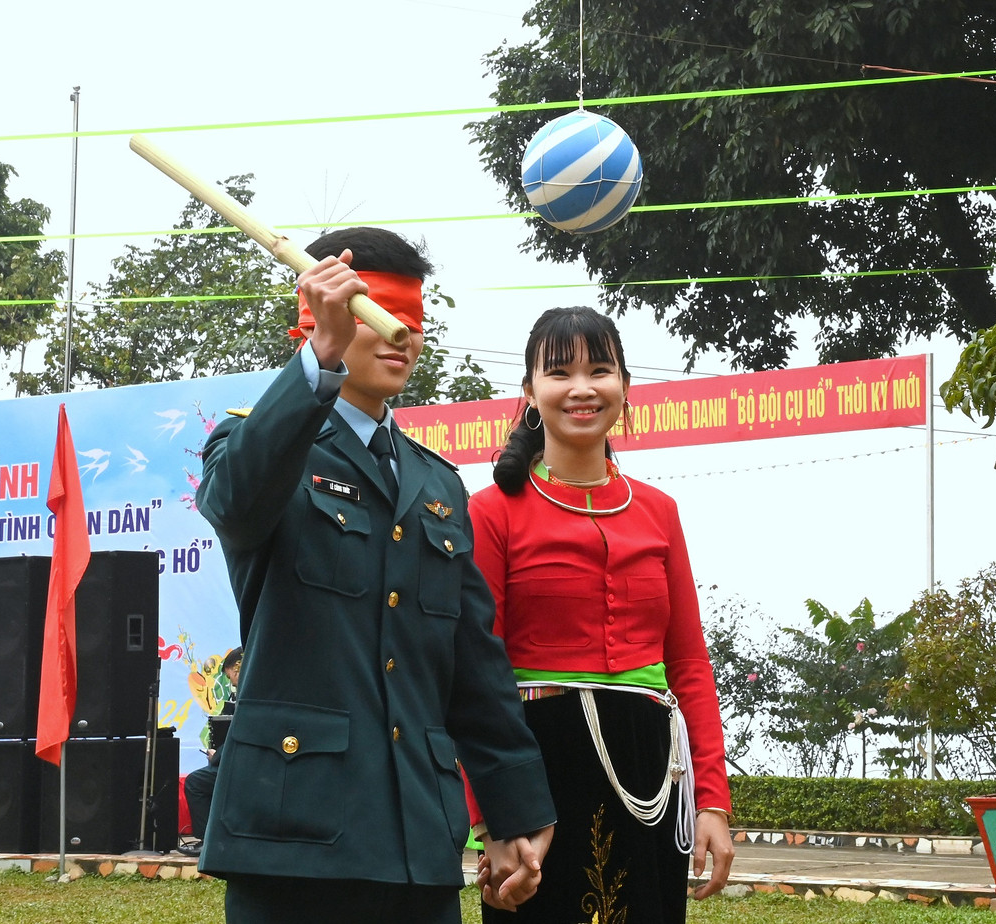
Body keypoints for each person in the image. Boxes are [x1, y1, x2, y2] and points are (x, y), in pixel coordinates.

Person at [194, 227, 556, 924]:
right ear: (320, 313)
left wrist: (514, 812)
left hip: (415, 836)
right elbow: (236, 506)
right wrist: (318, 360)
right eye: (380, 316)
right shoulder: (259, 443)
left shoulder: (437, 483)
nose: (403, 337)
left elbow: (472, 664)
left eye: (415, 324)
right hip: (292, 836)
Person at [467, 306, 735, 923]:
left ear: (625, 387)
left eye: (600, 370)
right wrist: (492, 817)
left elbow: (690, 663)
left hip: (652, 772)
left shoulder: (660, 511)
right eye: (559, 372)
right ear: (530, 392)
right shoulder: (492, 512)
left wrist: (712, 802)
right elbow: (474, 676)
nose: (582, 388)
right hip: (535, 771)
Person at [179, 647, 244, 858]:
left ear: (236, 668)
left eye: (230, 676)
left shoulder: (248, 693)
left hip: (244, 763)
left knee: (196, 782)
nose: (232, 683)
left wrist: (216, 756)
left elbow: (238, 734)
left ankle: (208, 841)